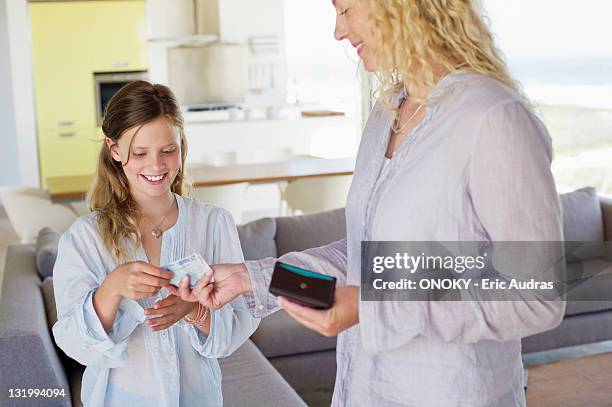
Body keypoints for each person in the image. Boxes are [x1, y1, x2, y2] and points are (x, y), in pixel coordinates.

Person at [173, 0, 567, 406]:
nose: (338, 32)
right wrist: (254, 279)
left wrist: (373, 306)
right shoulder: (386, 115)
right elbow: (367, 258)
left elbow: (536, 293)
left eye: (345, 10)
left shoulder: (493, 117)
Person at [52, 81, 259, 406]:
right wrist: (111, 289)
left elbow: (237, 326)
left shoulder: (213, 224)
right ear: (114, 149)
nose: (156, 165)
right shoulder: (84, 238)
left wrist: (196, 312)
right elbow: (74, 344)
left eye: (168, 150)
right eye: (140, 153)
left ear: (181, 145)